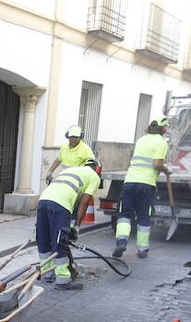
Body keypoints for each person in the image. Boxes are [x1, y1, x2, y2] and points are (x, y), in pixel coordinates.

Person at [35, 158, 102, 290]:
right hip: (61, 205)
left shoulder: (71, 170)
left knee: (44, 239)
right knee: (60, 241)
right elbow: (84, 203)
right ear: (98, 170)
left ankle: (47, 275)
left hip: (43, 201)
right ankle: (63, 280)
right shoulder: (94, 177)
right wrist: (76, 226)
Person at [113, 117, 173, 259]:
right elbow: (157, 164)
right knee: (144, 217)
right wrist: (166, 169)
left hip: (129, 182)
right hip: (146, 184)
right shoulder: (161, 143)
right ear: (163, 129)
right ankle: (142, 249)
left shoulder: (141, 140)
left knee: (124, 215)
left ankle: (121, 242)